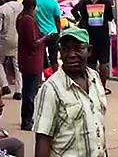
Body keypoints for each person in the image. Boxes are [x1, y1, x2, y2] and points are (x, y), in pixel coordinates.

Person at [33, 28, 107, 157]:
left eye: (78, 48)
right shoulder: (51, 89)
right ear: (60, 52)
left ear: (89, 51)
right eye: (66, 49)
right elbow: (43, 139)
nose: (72, 54)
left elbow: (99, 128)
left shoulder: (95, 77)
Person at [17, 0, 52, 131]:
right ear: (34, 5)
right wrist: (45, 38)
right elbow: (32, 43)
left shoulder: (22, 18)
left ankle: (27, 119)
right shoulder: (28, 20)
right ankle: (26, 121)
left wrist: (41, 36)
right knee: (30, 93)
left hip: (28, 59)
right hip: (31, 60)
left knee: (28, 91)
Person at [72, 0, 114, 94]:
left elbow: (73, 10)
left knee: (91, 63)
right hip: (103, 36)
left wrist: (80, 20)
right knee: (103, 63)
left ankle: (92, 87)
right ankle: (103, 88)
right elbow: (110, 17)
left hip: (89, 35)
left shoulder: (85, 2)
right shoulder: (106, 2)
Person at [0, 0, 24, 100]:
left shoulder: (1, 9)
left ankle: (5, 85)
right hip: (18, 38)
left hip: (5, 39)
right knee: (17, 66)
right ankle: (18, 91)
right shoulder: (21, 6)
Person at [35, 0, 62, 72]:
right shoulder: (53, 2)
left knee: (39, 58)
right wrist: (58, 31)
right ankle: (55, 77)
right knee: (53, 58)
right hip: (52, 32)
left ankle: (40, 78)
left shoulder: (34, 0)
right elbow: (57, 19)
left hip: (39, 34)